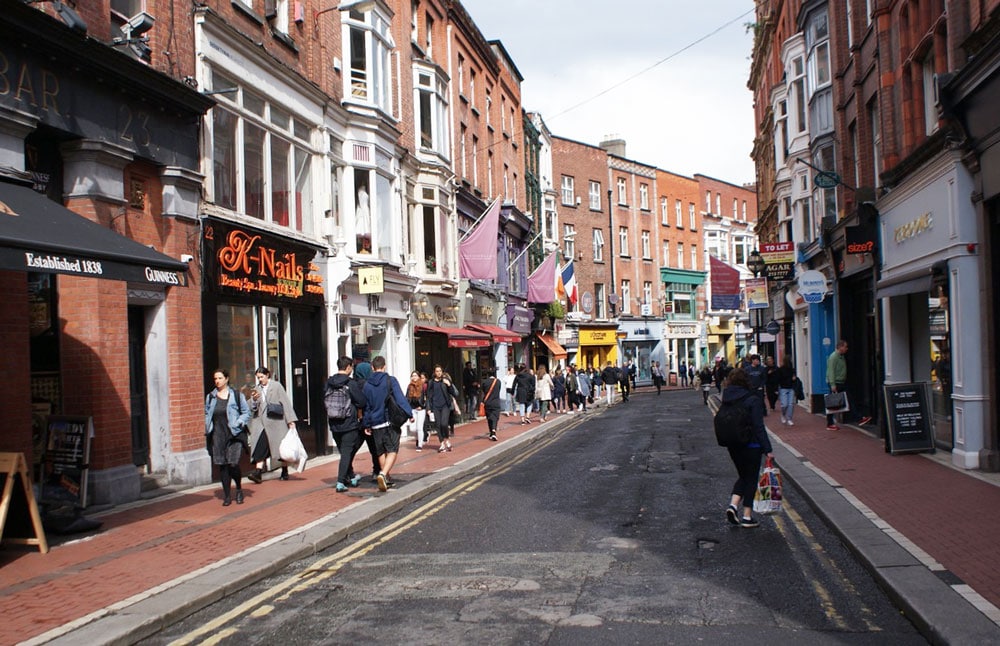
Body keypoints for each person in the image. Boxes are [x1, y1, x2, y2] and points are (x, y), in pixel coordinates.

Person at [721, 368, 773, 528]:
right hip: (752, 444)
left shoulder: (726, 397)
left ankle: (733, 505)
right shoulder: (752, 398)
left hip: (733, 444)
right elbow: (758, 426)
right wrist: (768, 449)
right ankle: (747, 516)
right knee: (751, 478)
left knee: (743, 475)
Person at [361, 356, 412, 492]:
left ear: (372, 367)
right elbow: (400, 399)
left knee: (380, 451)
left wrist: (366, 424)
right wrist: (409, 414)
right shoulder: (390, 380)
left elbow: (366, 407)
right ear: (384, 366)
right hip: (388, 421)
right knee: (393, 450)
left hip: (374, 423)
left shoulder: (367, 385)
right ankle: (383, 474)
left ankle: (386, 478)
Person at [205, 369, 251, 507]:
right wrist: (207, 427)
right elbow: (207, 413)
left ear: (226, 379)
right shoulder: (211, 397)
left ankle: (238, 488)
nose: (217, 381)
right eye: (215, 379)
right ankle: (226, 496)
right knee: (223, 466)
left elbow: (246, 412)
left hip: (234, 434)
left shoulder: (236, 395)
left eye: (220, 378)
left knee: (233, 464)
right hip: (218, 435)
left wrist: (239, 422)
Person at [246, 367, 298, 484]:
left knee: (281, 448)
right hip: (262, 424)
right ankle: (258, 472)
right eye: (258, 377)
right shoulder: (256, 389)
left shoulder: (276, 386)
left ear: (267, 375)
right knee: (260, 446)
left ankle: (284, 470)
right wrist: (254, 400)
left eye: (262, 377)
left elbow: (285, 402)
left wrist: (290, 420)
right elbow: (253, 407)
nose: (260, 380)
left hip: (277, 422)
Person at [325, 356, 367, 492]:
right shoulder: (351, 383)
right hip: (349, 423)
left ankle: (351, 476)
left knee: (345, 452)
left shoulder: (328, 383)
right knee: (346, 453)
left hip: (333, 422)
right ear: (348, 367)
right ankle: (340, 482)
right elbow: (361, 402)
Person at [352, 360, 381, 481]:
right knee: (374, 449)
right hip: (368, 421)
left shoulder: (353, 384)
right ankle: (377, 471)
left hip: (355, 422)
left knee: (353, 448)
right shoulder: (370, 384)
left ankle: (348, 471)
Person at [426, 364, 455, 452]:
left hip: (445, 405)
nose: (439, 373)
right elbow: (428, 396)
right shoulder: (431, 382)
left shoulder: (445, 381)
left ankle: (447, 439)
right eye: (437, 371)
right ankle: (442, 443)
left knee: (444, 424)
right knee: (438, 425)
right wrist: (428, 408)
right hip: (435, 406)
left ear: (442, 372)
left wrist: (449, 385)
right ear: (434, 372)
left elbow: (453, 392)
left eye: (440, 371)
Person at [826, 339, 851, 430]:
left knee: (834, 403)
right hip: (836, 382)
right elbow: (831, 371)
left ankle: (830, 423)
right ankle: (829, 424)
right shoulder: (833, 357)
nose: (846, 348)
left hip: (840, 382)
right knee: (833, 403)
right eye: (845, 347)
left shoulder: (841, 356)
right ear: (840, 347)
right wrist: (833, 384)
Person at [404, 370, 427, 451]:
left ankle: (419, 445)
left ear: (419, 377)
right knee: (412, 429)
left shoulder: (423, 386)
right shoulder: (409, 386)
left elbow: (427, 398)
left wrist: (423, 406)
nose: (414, 377)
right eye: (412, 376)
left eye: (415, 376)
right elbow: (406, 398)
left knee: (419, 428)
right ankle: (418, 438)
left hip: (421, 409)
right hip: (412, 409)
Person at [480, 368, 503, 440]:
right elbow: (499, 390)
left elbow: (483, 391)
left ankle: (491, 432)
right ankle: (493, 431)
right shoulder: (498, 382)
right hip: (496, 402)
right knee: (495, 417)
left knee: (489, 417)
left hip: (487, 402)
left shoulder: (484, 382)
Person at [776, 355, 797, 425]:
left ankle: (789, 419)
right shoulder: (780, 369)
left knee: (790, 404)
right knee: (784, 404)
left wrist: (794, 379)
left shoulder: (792, 369)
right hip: (783, 388)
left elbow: (794, 378)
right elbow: (778, 379)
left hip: (791, 388)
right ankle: (783, 414)